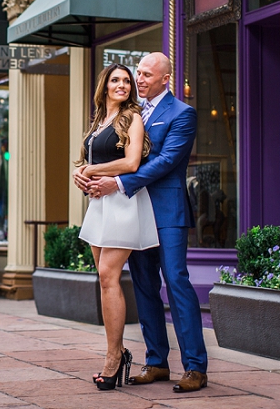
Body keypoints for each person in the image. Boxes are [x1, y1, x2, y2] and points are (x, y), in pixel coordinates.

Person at [76, 52, 209, 393]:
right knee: (144, 285)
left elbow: (166, 160)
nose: (140, 79)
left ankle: (195, 367)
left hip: (166, 211)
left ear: (166, 78)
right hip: (132, 211)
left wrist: (117, 183)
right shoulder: (128, 113)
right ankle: (156, 362)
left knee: (176, 283)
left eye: (148, 74)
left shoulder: (182, 113)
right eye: (138, 73)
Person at [72, 63, 156, 391]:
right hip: (99, 205)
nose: (122, 84)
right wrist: (80, 173)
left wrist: (92, 169)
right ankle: (117, 350)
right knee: (105, 280)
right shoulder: (99, 122)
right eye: (115, 80)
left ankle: (112, 357)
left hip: (124, 203)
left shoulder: (132, 118)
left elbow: (132, 162)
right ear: (104, 85)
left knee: (109, 275)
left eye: (126, 80)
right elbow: (87, 163)